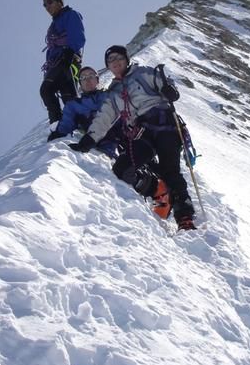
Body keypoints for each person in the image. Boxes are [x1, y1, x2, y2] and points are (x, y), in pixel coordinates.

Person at [69, 45, 196, 230]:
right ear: (108, 66)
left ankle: (185, 218)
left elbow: (165, 83)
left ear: (126, 59)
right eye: (111, 60)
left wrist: (170, 91)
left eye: (118, 58)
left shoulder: (143, 73)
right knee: (122, 167)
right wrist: (89, 139)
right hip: (142, 131)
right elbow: (104, 117)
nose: (115, 62)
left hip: (165, 125)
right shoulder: (113, 93)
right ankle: (159, 190)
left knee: (171, 171)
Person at [47, 66, 119, 158]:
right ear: (80, 83)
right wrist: (58, 133)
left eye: (91, 76)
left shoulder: (110, 95)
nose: (87, 80)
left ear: (97, 80)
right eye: (83, 78)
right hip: (98, 140)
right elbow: (67, 124)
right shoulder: (74, 105)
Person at [40, 0, 86, 126]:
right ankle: (75, 124)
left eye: (49, 2)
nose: (47, 7)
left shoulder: (70, 15)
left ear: (60, 2)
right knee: (68, 95)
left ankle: (57, 125)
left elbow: (78, 36)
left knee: (47, 90)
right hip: (58, 62)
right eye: (44, 5)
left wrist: (69, 54)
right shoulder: (55, 24)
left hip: (67, 59)